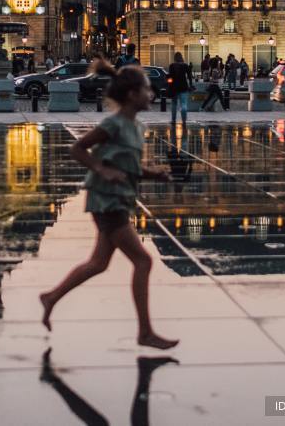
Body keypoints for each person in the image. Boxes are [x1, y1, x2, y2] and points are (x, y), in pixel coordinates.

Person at [38, 58, 178, 351]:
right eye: (146, 90)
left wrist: (153, 174)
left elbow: (127, 165)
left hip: (119, 199)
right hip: (107, 201)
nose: (151, 95)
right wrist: (101, 169)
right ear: (131, 95)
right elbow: (76, 149)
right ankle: (145, 332)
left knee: (98, 263)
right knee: (143, 261)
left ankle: (51, 297)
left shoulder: (135, 127)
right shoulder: (113, 124)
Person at [167, 52, 192, 126]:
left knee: (174, 104)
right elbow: (190, 76)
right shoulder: (185, 65)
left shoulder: (172, 65)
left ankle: (173, 120)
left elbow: (170, 77)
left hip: (174, 87)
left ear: (175, 58)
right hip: (183, 86)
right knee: (183, 104)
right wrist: (190, 85)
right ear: (181, 57)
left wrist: (169, 85)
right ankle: (184, 120)